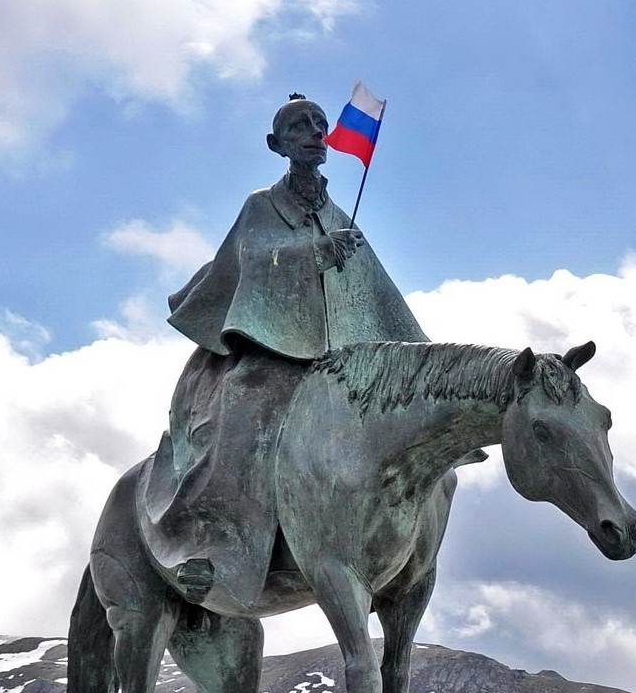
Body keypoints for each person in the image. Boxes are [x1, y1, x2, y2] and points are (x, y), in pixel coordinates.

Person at [144, 93, 428, 604]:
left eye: (320, 124)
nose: (316, 132)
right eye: (301, 125)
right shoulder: (261, 205)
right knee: (246, 409)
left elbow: (377, 297)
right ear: (278, 144)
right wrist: (312, 253)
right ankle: (207, 543)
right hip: (269, 348)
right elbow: (251, 262)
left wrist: (420, 369)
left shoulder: (340, 215)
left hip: (333, 357)